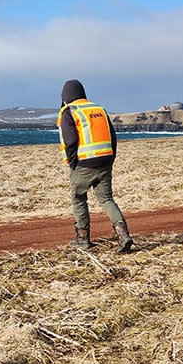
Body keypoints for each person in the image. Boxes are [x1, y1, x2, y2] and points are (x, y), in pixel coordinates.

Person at [57, 79, 134, 252]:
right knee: (107, 199)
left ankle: (83, 239)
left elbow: (70, 141)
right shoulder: (99, 110)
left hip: (83, 163)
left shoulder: (69, 112)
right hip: (105, 161)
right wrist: (111, 159)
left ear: (65, 97)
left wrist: (72, 163)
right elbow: (113, 137)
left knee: (79, 199)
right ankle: (123, 235)